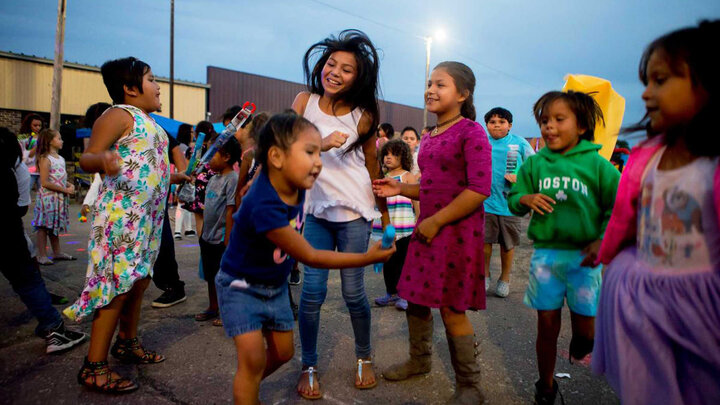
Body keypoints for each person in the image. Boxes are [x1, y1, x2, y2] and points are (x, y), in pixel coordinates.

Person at [216, 112, 395, 405]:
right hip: (241, 287)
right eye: (310, 153)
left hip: (274, 288)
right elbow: (311, 256)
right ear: (276, 157)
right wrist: (365, 257)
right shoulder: (265, 204)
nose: (318, 162)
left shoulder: (293, 181)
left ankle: (246, 388)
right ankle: (246, 390)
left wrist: (319, 146)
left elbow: (287, 156)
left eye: (318, 152)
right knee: (252, 360)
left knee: (284, 354)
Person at [593, 20, 720, 405]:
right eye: (646, 81)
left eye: (660, 80)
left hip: (702, 308)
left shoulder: (712, 165)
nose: (646, 93)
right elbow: (628, 219)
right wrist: (606, 250)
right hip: (645, 300)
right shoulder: (649, 157)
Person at [373, 61, 491, 404]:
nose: (431, 90)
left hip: (456, 233)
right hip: (428, 232)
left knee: (453, 309)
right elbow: (431, 188)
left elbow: (479, 189)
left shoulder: (472, 131)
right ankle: (419, 361)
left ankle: (470, 386)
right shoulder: (430, 135)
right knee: (416, 299)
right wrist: (396, 191)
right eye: (429, 83)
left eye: (441, 84)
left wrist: (437, 221)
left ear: (463, 94)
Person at [64, 57, 172, 394]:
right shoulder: (117, 114)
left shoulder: (149, 121)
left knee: (137, 281)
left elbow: (148, 162)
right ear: (130, 88)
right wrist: (103, 160)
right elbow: (87, 157)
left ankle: (126, 342)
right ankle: (94, 366)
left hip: (147, 220)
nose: (158, 87)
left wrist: (175, 175)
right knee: (116, 286)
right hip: (121, 219)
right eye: (151, 79)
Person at [292, 29, 390, 398]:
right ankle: (309, 364)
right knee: (312, 294)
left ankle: (364, 356)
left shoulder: (364, 116)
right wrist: (318, 142)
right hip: (315, 211)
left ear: (358, 77)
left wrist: (385, 216)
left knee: (353, 293)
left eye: (346, 69)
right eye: (331, 63)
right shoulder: (304, 101)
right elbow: (281, 142)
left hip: (354, 211)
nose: (335, 72)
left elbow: (371, 165)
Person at [507, 90, 620, 404]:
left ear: (581, 126)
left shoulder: (598, 165)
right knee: (546, 325)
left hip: (585, 258)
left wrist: (602, 239)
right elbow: (514, 199)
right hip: (546, 257)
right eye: (545, 121)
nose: (549, 127)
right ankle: (545, 386)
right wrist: (524, 199)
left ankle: (584, 344)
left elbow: (619, 206)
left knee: (585, 330)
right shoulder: (535, 164)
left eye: (559, 120)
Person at [1, 127, 87, 354]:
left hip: (11, 229)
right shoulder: (19, 168)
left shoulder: (22, 168)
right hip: (8, 232)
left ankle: (53, 328)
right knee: (27, 280)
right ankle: (53, 330)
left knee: (29, 274)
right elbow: (21, 207)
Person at [482, 107, 535, 297]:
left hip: (510, 204)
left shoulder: (519, 143)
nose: (497, 125)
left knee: (507, 244)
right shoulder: (481, 142)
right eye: (492, 122)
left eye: (501, 122)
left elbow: (534, 168)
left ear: (510, 125)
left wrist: (519, 179)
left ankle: (504, 279)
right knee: (484, 242)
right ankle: (485, 274)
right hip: (485, 201)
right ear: (486, 125)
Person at [195, 137, 240, 326]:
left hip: (222, 238)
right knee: (210, 274)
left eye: (213, 154)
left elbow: (231, 209)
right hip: (207, 236)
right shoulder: (213, 178)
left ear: (227, 157)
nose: (209, 159)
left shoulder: (232, 179)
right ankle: (213, 306)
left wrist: (228, 237)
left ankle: (226, 311)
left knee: (224, 277)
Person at [372, 139, 419, 311]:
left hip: (405, 228)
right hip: (386, 229)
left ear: (403, 157)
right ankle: (391, 293)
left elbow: (416, 200)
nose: (388, 158)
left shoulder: (407, 176)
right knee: (388, 263)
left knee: (403, 262)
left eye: (394, 154)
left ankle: (404, 295)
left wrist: (419, 220)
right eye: (386, 154)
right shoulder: (382, 178)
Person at [32, 128, 76, 265]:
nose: (61, 141)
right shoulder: (45, 159)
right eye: (59, 138)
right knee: (43, 227)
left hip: (58, 197)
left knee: (54, 225)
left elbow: (59, 178)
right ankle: (42, 255)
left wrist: (70, 185)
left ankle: (57, 252)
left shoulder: (61, 159)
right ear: (50, 141)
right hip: (48, 198)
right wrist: (65, 189)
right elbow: (45, 182)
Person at [174, 123, 196, 239]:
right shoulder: (184, 148)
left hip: (180, 176)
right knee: (182, 203)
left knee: (186, 203)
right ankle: (178, 231)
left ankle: (188, 229)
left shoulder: (180, 146)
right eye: (192, 132)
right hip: (183, 176)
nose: (193, 134)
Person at [17, 113, 44, 189]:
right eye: (35, 125)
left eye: (40, 126)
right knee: (25, 191)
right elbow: (28, 154)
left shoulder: (43, 137)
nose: (38, 128)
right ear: (29, 125)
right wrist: (38, 143)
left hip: (42, 170)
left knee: (43, 194)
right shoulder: (23, 137)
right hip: (28, 169)